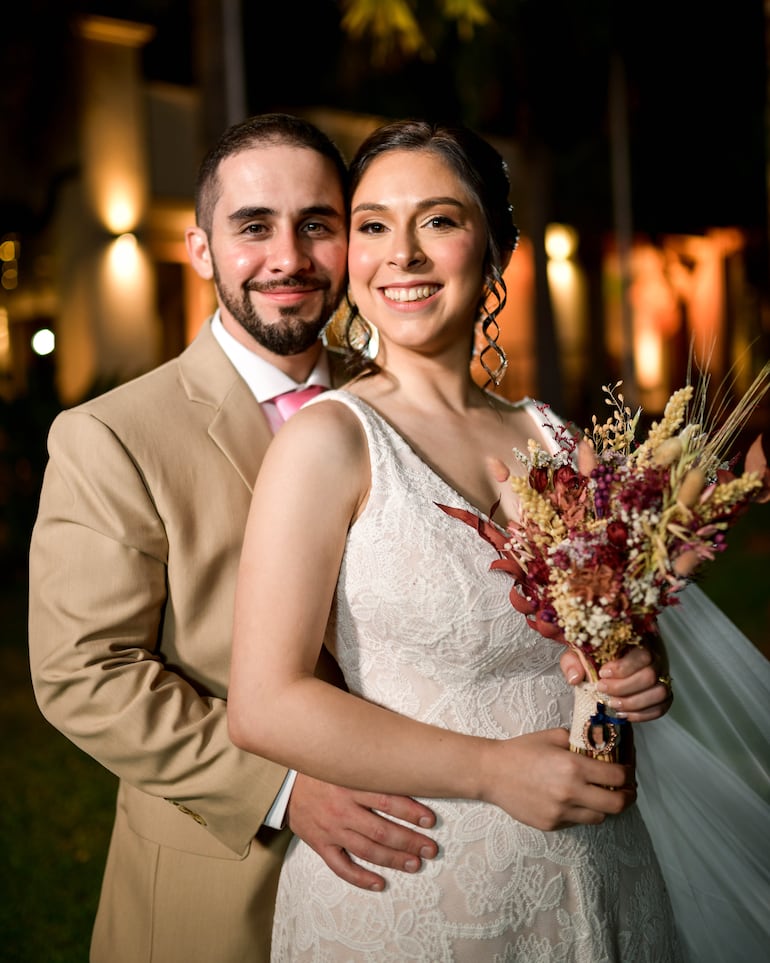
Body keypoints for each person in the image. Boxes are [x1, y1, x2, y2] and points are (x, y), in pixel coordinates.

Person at [227, 119, 682, 961]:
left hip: (601, 877)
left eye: (437, 219)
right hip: (419, 892)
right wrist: (490, 770)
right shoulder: (326, 444)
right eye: (372, 225)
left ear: (495, 249)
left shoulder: (557, 438)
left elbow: (611, 634)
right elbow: (263, 702)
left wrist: (636, 668)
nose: (401, 253)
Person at [27, 113, 444, 963]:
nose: (287, 257)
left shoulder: (407, 404)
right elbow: (84, 671)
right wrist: (285, 787)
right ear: (202, 247)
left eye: (317, 225)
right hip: (221, 885)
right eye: (253, 226)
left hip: (423, 861)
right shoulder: (112, 435)